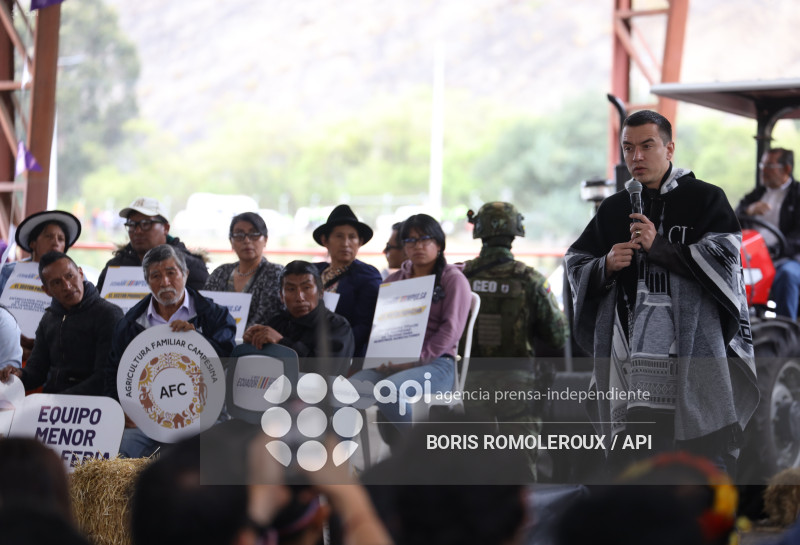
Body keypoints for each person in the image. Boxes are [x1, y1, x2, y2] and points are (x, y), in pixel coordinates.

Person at [564, 110, 758, 476]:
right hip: (629, 357)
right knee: (635, 461)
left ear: (669, 148)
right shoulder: (614, 209)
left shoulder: (706, 199)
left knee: (700, 465)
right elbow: (575, 260)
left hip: (692, 351)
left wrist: (661, 246)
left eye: (646, 146)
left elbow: (726, 260)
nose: (636, 157)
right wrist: (605, 264)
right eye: (628, 148)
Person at [461, 201, 569, 480]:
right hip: (518, 384)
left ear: (479, 231)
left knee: (473, 468)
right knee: (520, 469)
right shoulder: (530, 278)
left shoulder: (461, 277)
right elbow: (557, 336)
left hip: (469, 382)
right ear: (515, 232)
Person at [105, 244, 236, 458]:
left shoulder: (215, 316)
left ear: (185, 274)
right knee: (121, 449)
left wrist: (198, 340)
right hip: (147, 423)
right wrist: (122, 409)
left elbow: (228, 360)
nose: (165, 282)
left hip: (203, 419)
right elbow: (113, 372)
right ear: (147, 282)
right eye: (155, 276)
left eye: (171, 273)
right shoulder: (129, 324)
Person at [351, 214, 471, 429]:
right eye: (410, 240)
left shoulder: (452, 279)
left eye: (425, 239)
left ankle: (420, 458)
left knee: (389, 391)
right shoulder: (393, 282)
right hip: (391, 363)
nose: (418, 246)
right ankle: (341, 461)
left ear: (439, 244)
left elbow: (451, 330)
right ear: (404, 247)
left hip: (438, 365)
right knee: (346, 393)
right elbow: (383, 328)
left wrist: (416, 360)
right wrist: (381, 357)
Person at [0, 252, 122, 395]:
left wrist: (60, 401)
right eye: (57, 282)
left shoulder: (109, 315)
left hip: (94, 406)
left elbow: (105, 377)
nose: (67, 286)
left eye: (70, 276)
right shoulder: (48, 319)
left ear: (81, 274)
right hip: (54, 405)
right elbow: (36, 372)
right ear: (47, 291)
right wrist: (18, 375)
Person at [243, 260, 354, 376]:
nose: (299, 297)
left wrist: (282, 343)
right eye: (291, 289)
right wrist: (250, 344)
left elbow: (323, 372)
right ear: (281, 296)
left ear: (320, 293)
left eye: (306, 288)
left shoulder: (337, 326)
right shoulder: (276, 323)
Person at [735, 148, 800, 319]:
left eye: (769, 165)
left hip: (789, 258)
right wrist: (749, 210)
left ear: (786, 169)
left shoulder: (797, 194)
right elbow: (732, 217)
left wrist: (774, 251)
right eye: (762, 164)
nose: (763, 170)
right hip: (753, 257)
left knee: (788, 275)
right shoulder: (757, 194)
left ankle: (785, 333)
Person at [96, 197, 209, 292]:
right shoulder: (115, 267)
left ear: (166, 228)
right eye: (131, 224)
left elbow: (205, 312)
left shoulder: (191, 266)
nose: (137, 230)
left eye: (146, 224)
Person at [312, 204, 381, 360]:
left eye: (352, 237)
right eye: (339, 236)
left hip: (342, 354)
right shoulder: (313, 272)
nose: (346, 243)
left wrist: (335, 349)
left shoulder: (367, 276)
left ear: (360, 241)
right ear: (325, 240)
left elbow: (364, 325)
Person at [204, 212, 284, 330]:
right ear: (231, 241)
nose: (247, 240)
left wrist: (234, 338)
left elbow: (266, 316)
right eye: (239, 235)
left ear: (265, 239)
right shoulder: (220, 272)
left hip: (255, 343)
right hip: (216, 341)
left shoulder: (275, 273)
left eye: (254, 234)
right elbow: (205, 308)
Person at [0, 209, 81, 297]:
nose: (55, 243)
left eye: (61, 239)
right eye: (49, 236)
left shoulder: (75, 275)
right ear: (33, 243)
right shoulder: (6, 272)